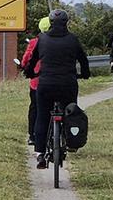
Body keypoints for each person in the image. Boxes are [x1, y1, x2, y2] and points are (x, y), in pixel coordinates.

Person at [24, 9, 91, 169]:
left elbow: (33, 60)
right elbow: (83, 60)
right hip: (68, 84)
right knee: (70, 112)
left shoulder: (42, 39)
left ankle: (40, 153)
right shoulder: (73, 40)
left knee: (42, 116)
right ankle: (70, 142)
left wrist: (30, 73)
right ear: (66, 22)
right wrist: (85, 74)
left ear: (51, 22)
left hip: (46, 84)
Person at [18, 16, 50, 145]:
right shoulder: (62, 41)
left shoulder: (34, 43)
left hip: (37, 82)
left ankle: (32, 135)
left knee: (35, 108)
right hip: (57, 79)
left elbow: (25, 61)